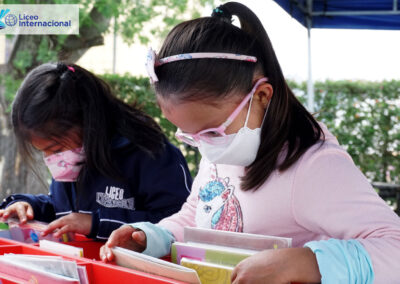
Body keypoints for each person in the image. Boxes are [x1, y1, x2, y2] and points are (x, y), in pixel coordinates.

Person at [100, 2, 400, 283]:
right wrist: (153, 236)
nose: (204, 147)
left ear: (262, 96)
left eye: (213, 132)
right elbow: (199, 215)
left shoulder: (313, 165)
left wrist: (307, 262)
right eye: (190, 135)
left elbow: (394, 248)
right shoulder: (221, 148)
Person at [0, 63, 192, 241]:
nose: (52, 160)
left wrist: (96, 223)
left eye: (56, 149)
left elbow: (176, 222)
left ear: (88, 122)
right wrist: (29, 206)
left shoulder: (149, 154)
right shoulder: (74, 159)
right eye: (44, 153)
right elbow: (64, 212)